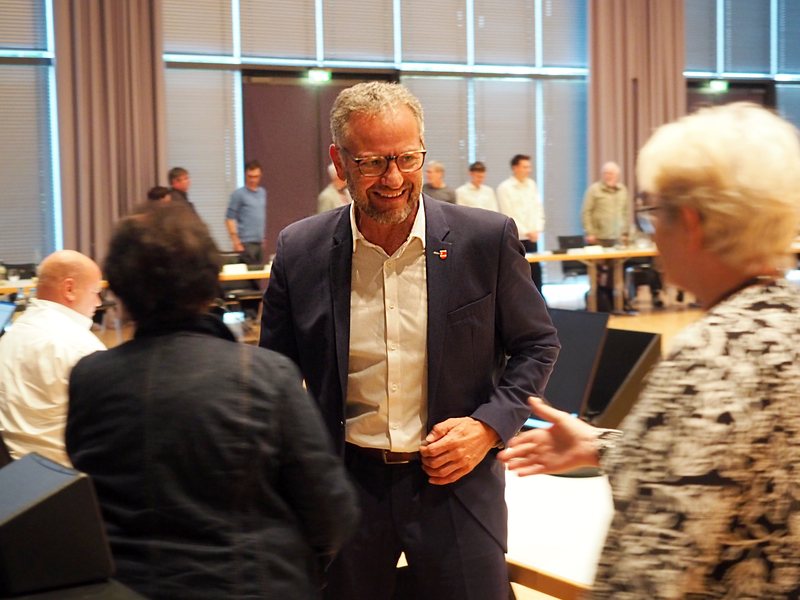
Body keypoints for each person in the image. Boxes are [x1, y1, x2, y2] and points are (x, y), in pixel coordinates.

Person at [260, 81, 560, 600]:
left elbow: (537, 345)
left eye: (407, 158)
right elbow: (274, 378)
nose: (394, 179)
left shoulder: (485, 240)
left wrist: (488, 428)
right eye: (373, 162)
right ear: (339, 161)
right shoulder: (300, 250)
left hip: (457, 487)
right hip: (347, 491)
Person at [500, 103, 800, 599]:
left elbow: (648, 570)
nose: (651, 232)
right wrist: (602, 446)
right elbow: (736, 468)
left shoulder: (709, 360)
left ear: (690, 223)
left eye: (654, 214)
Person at [66, 202, 358, 600]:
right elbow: (330, 512)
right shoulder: (266, 377)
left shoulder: (89, 380)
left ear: (119, 289)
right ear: (210, 281)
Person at [0, 250, 105, 467]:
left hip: (11, 473)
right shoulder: (81, 348)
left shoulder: (12, 334)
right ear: (69, 289)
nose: (98, 302)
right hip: (65, 481)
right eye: (95, 291)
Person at [497, 154, 544, 291]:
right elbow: (509, 214)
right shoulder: (505, 188)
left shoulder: (532, 185)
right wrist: (526, 231)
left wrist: (537, 229)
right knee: (518, 276)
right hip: (517, 238)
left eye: (529, 167)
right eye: (525, 167)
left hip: (533, 238)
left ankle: (540, 308)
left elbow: (538, 208)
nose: (528, 170)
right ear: (515, 168)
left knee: (536, 275)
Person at [226, 160, 267, 265]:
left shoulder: (262, 193)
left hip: (258, 242)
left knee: (258, 276)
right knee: (247, 278)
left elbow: (259, 217)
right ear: (245, 175)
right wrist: (236, 242)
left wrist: (262, 238)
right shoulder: (239, 194)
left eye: (256, 176)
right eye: (250, 176)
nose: (253, 179)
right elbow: (229, 218)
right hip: (245, 243)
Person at [581, 162, 629, 246]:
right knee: (598, 259)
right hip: (598, 237)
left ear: (617, 175)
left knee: (619, 259)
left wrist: (624, 232)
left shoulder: (623, 190)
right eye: (605, 173)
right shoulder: (594, 190)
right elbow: (586, 212)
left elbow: (625, 213)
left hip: (617, 238)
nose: (608, 176)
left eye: (611, 174)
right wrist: (589, 233)